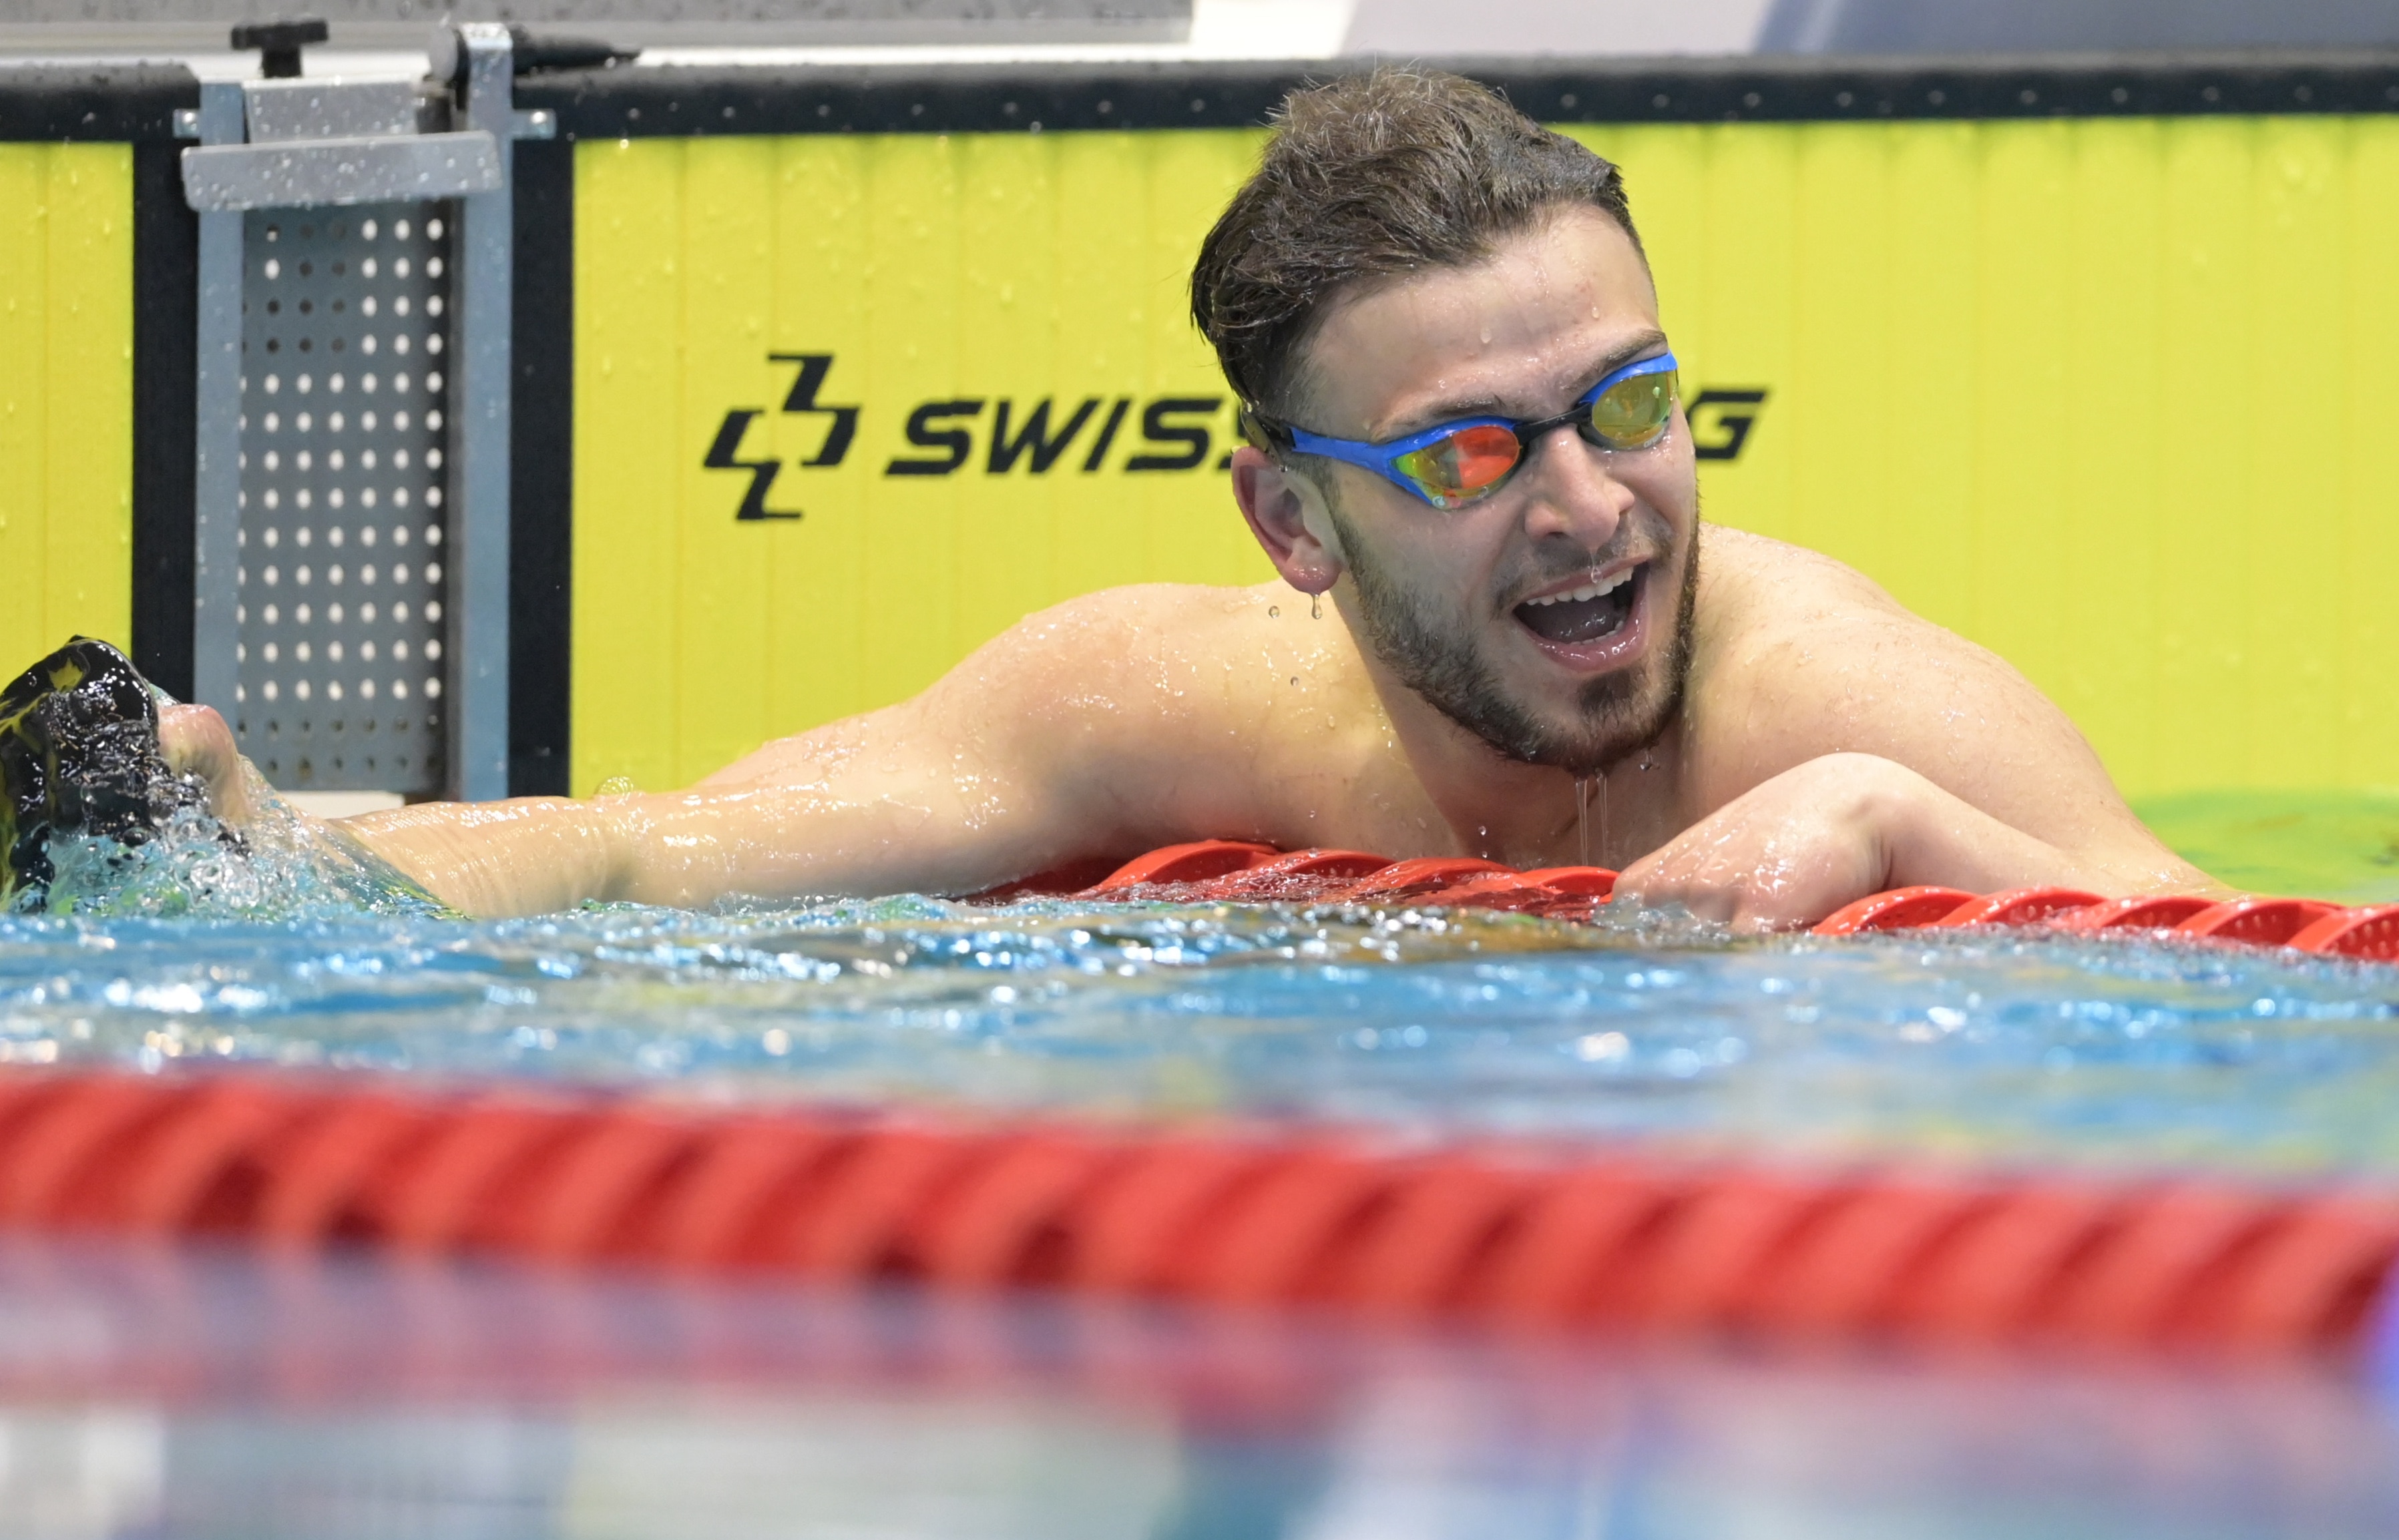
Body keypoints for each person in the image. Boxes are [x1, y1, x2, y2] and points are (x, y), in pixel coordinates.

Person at [160, 67, 2214, 928]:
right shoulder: (1171, 705)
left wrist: (1906, 824)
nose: (1593, 505)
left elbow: (2282, 984)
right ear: (1292, 528)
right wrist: (254, 852)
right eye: (1474, 453)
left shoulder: (1843, 711)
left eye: (1629, 402)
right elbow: (646, 856)